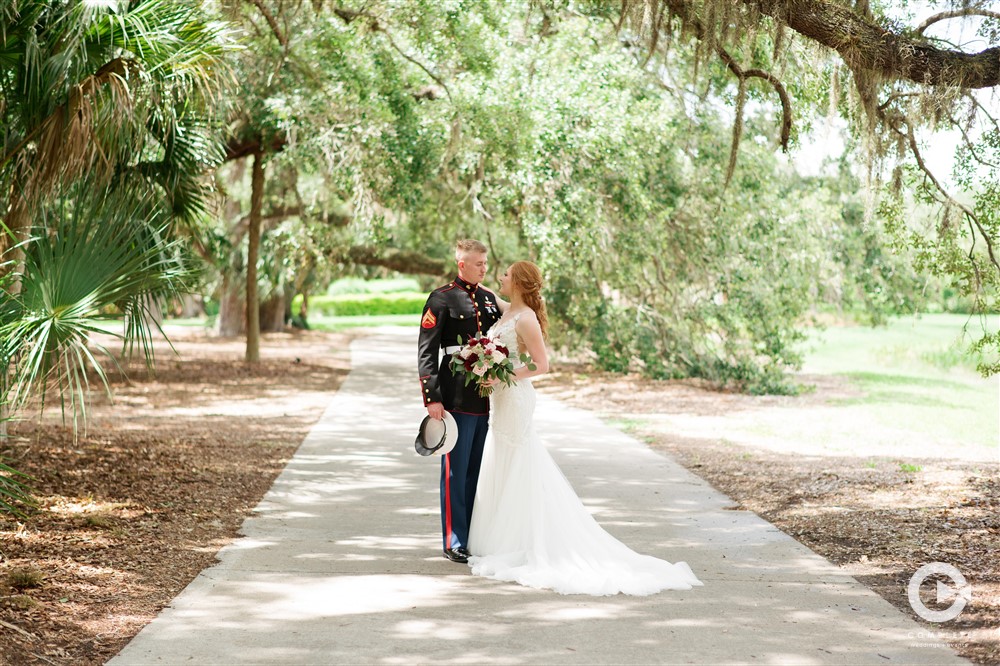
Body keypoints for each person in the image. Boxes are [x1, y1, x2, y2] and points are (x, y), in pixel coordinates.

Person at [467, 261, 704, 595]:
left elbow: (542, 364)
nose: (500, 277)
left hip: (517, 397)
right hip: (501, 400)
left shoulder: (526, 319)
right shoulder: (508, 312)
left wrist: (502, 374)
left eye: (506, 274)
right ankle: (502, 535)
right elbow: (491, 297)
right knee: (502, 456)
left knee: (520, 459)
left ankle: (527, 539)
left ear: (518, 282)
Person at [417, 239, 503, 563]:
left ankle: (470, 538)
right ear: (461, 263)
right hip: (453, 397)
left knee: (473, 472)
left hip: (483, 398)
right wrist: (432, 399)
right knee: (454, 471)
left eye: (485, 263)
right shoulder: (441, 298)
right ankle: (454, 540)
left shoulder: (488, 299)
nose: (484, 268)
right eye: (478, 263)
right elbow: (426, 351)